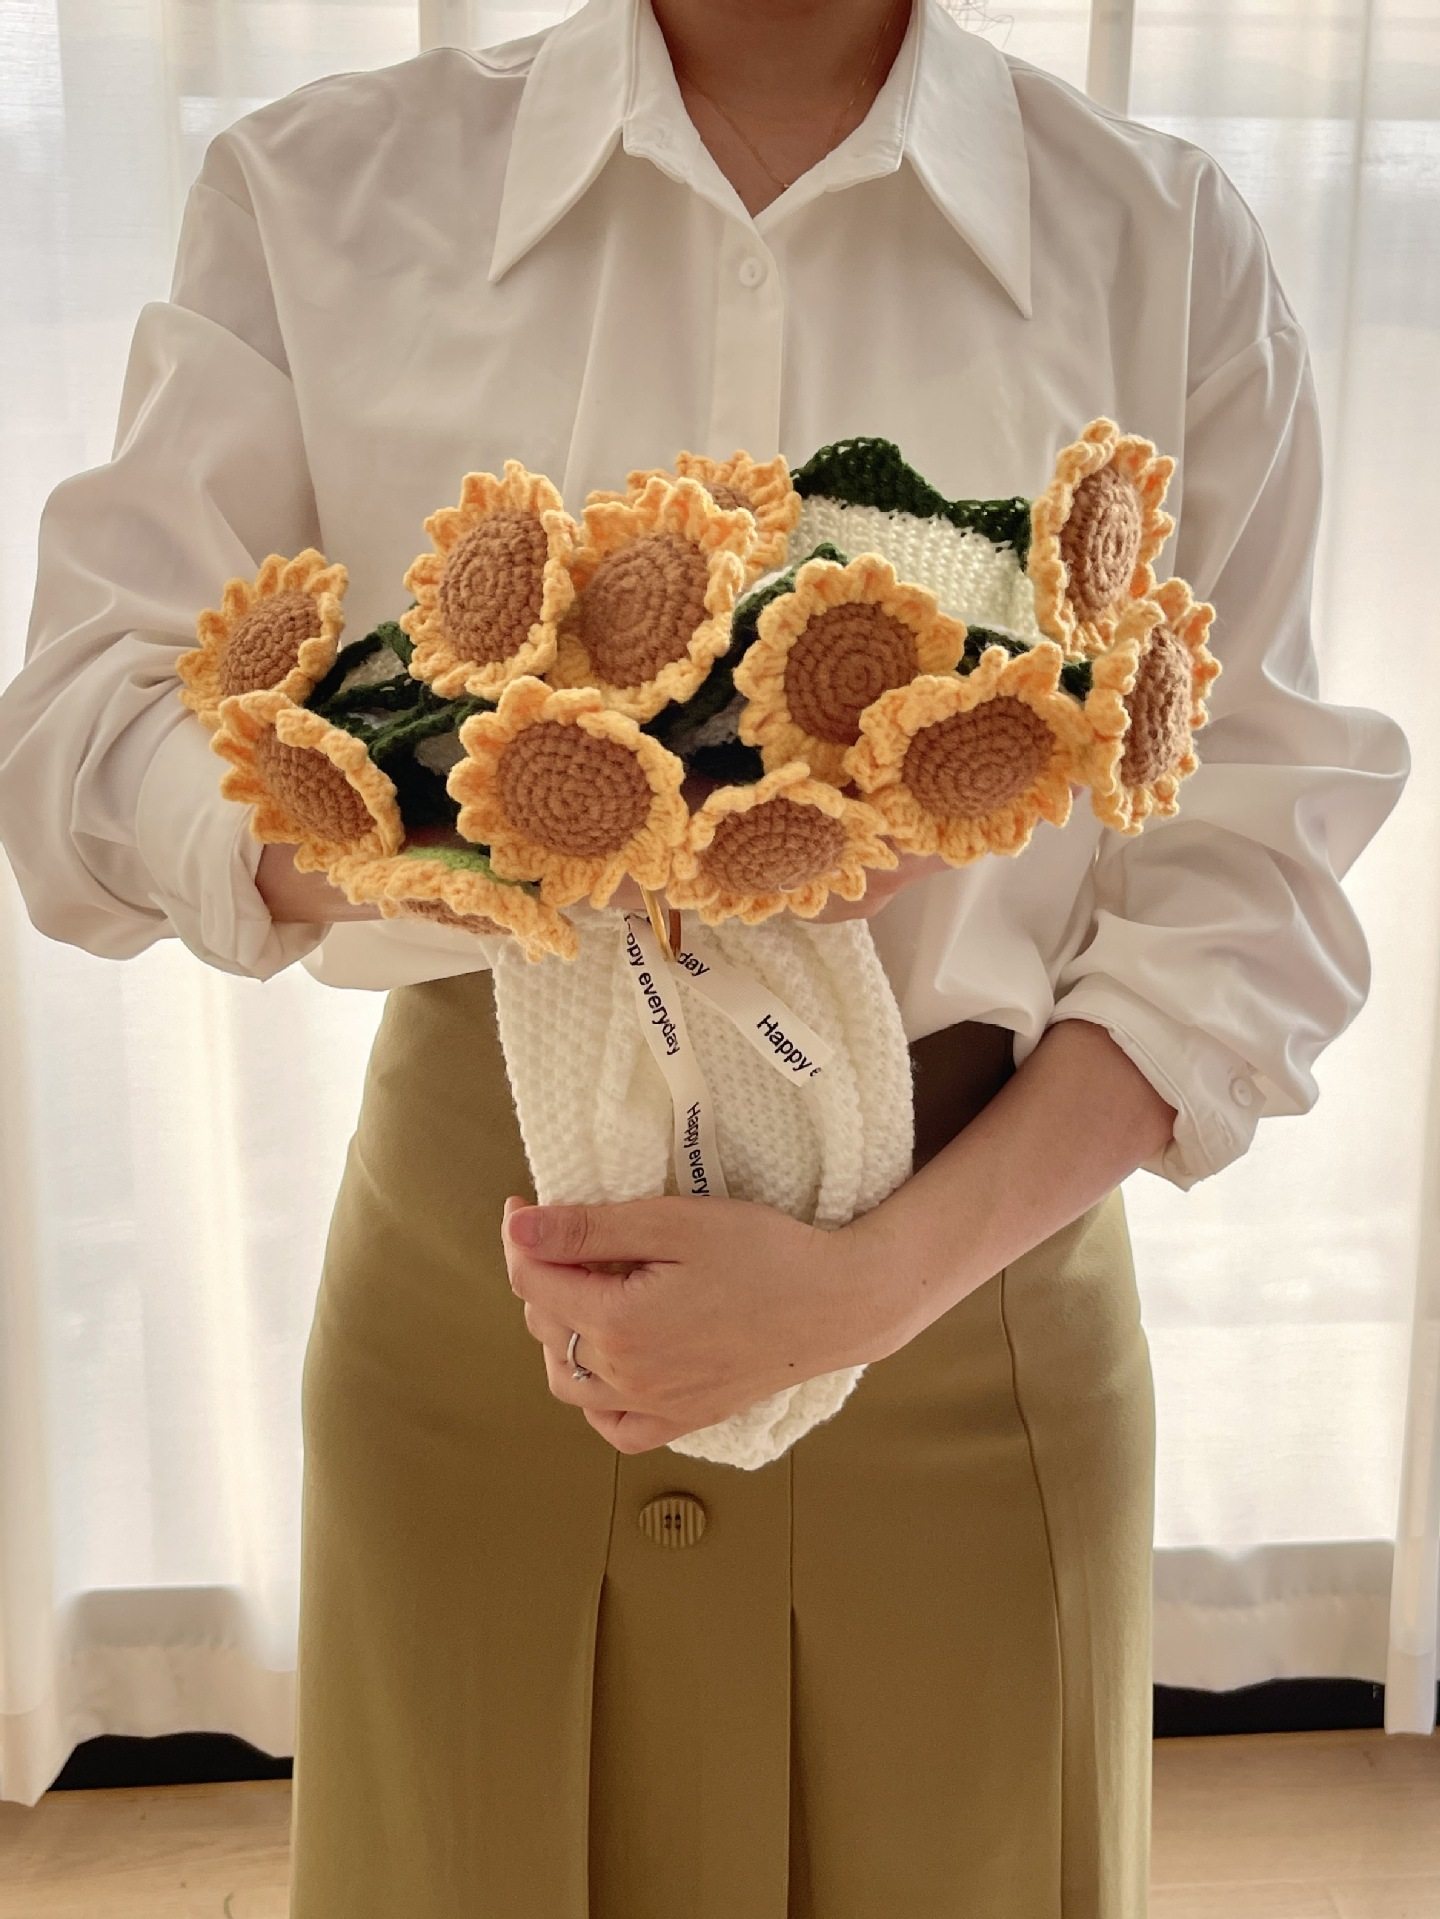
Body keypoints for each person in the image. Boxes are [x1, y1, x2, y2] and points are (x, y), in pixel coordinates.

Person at [0, 0, 1410, 1913]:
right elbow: (81, 737)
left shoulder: (1158, 243)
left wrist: (885, 1282)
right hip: (486, 1314)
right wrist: (503, 824)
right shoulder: (320, 191)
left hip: (975, 1308)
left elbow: (1254, 871)